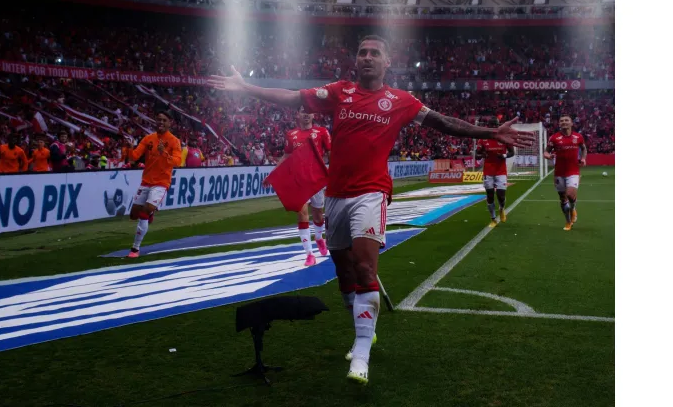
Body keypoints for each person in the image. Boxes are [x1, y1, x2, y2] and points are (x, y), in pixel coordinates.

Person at [208, 35, 533, 385]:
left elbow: (443, 123)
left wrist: (490, 132)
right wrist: (246, 88)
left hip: (372, 192)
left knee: (364, 266)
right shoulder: (339, 92)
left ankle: (361, 352)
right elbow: (291, 98)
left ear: (387, 62)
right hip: (335, 195)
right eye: (362, 52)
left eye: (374, 53)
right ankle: (365, 332)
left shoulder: (401, 101)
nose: (367, 57)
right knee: (344, 273)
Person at [274, 108, 332, 266]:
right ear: (297, 115)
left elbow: (330, 152)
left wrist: (335, 171)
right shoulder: (291, 135)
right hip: (298, 179)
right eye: (302, 111)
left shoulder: (322, 132)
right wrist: (273, 173)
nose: (306, 114)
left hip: (317, 179)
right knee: (302, 213)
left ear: (314, 115)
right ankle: (309, 254)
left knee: (318, 215)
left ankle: (319, 238)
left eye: (309, 111)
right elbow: (286, 155)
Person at [127, 111, 183, 258]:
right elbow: (133, 157)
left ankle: (135, 248)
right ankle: (150, 213)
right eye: (159, 119)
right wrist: (128, 147)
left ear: (170, 123)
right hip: (146, 181)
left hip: (161, 182)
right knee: (134, 215)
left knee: (143, 214)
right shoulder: (148, 138)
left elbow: (178, 161)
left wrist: (164, 153)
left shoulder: (174, 141)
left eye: (164, 120)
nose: (161, 122)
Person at [544, 114, 587, 231]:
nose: (564, 122)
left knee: (570, 194)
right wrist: (549, 156)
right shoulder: (554, 138)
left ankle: (573, 209)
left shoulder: (578, 137)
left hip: (573, 171)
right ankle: (568, 221)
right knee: (562, 198)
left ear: (571, 123)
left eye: (566, 120)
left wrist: (583, 158)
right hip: (559, 172)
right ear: (559, 124)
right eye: (561, 120)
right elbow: (546, 152)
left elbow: (583, 148)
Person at [475, 138, 515, 227]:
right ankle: (493, 219)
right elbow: (476, 155)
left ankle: (501, 209)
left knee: (501, 195)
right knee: (490, 195)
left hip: (501, 171)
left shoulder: (504, 138)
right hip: (488, 172)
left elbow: (512, 152)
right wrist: (482, 155)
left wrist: (504, 156)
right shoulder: (483, 140)